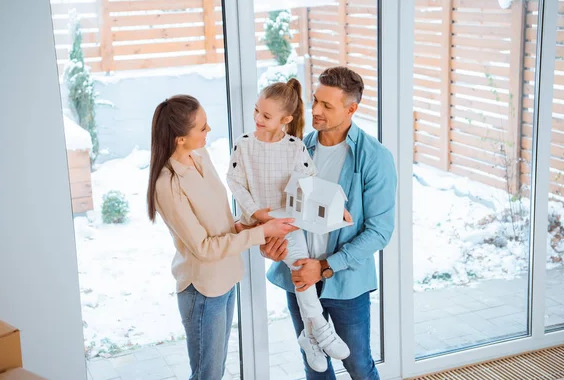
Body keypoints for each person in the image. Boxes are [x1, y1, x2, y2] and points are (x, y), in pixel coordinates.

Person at [146, 95, 296, 380]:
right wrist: (259, 233)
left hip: (226, 279)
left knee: (215, 369)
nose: (209, 131)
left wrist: (245, 223)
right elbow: (203, 248)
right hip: (202, 290)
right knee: (208, 374)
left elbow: (216, 218)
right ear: (180, 138)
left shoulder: (200, 156)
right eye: (202, 128)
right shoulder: (167, 184)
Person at [262, 67, 397, 380]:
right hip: (298, 275)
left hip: (345, 280)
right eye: (314, 101)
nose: (315, 111)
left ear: (351, 109)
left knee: (358, 365)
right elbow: (283, 210)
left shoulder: (374, 158)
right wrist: (272, 245)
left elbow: (379, 231)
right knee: (315, 366)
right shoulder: (297, 148)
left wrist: (324, 266)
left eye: (327, 105)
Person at [226, 79, 352, 372]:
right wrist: (257, 213)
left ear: (286, 119)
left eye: (266, 116)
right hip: (259, 221)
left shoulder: (295, 147)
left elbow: (311, 184)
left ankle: (312, 335)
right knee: (300, 265)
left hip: (288, 221)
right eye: (257, 111)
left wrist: (338, 208)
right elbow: (234, 181)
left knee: (300, 266)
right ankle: (319, 328)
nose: (258, 119)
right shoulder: (244, 145)